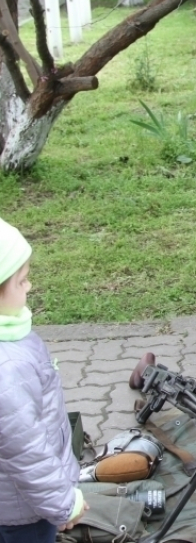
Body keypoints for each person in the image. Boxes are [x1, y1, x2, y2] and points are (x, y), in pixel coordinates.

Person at [0, 218, 89, 542]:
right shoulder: (7, 368)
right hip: (21, 510)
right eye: (21, 281)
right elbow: (27, 453)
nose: (29, 287)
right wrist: (64, 505)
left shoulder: (10, 337)